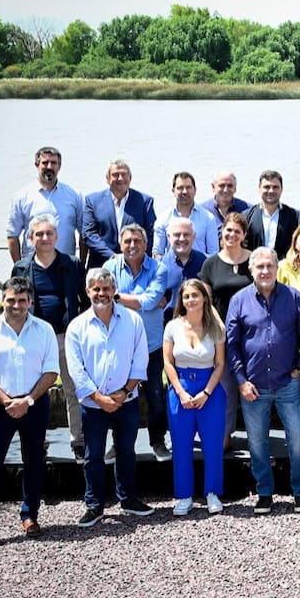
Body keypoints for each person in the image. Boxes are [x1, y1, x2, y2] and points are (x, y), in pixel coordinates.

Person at [0, 277, 59, 556]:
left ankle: (30, 515)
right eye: (10, 300)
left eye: (21, 300)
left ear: (30, 301)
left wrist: (27, 401)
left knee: (34, 462)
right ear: (2, 300)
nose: (16, 305)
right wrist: (8, 401)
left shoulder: (44, 330)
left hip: (34, 404)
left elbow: (51, 372)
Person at [226, 247, 300, 515]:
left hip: (289, 384)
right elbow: (232, 344)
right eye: (259, 266)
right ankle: (264, 492)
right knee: (257, 442)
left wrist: (298, 368)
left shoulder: (293, 297)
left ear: (277, 269)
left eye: (269, 266)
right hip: (253, 386)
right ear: (251, 270)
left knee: (297, 440)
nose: (265, 271)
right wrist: (240, 379)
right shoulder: (239, 301)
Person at [66, 268, 154, 527]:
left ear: (114, 290)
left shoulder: (133, 320)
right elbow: (75, 369)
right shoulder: (76, 327)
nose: (101, 293)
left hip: (126, 401)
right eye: (96, 289)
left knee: (126, 450)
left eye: (106, 288)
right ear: (88, 292)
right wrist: (98, 397)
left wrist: (125, 391)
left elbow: (141, 359)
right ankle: (94, 505)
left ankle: (128, 499)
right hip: (93, 405)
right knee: (93, 455)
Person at [9, 213, 84, 461]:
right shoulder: (21, 267)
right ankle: (36, 441)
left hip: (65, 336)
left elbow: (84, 300)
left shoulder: (72, 264)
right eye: (39, 234)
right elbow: (15, 304)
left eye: (49, 233)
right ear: (30, 238)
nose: (44, 238)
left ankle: (79, 440)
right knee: (33, 390)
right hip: (34, 338)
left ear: (57, 237)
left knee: (73, 389)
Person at [104, 224, 170, 460]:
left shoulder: (158, 268)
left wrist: (117, 296)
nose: (132, 245)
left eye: (137, 241)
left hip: (151, 345)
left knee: (155, 396)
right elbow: (102, 298)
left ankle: (158, 441)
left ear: (145, 244)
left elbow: (151, 301)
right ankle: (117, 444)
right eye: (127, 241)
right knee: (117, 395)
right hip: (119, 344)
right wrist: (133, 300)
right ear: (121, 245)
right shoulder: (109, 267)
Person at [162, 278, 227, 517]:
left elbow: (220, 364)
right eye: (187, 296)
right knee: (181, 446)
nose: (191, 300)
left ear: (204, 298)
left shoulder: (216, 326)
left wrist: (206, 392)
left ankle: (212, 493)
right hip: (180, 388)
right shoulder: (173, 327)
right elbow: (168, 362)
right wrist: (180, 391)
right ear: (182, 300)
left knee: (212, 445)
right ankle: (184, 496)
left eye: (195, 295)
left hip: (209, 388)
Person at [197, 211, 252, 445]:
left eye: (237, 231)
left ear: (244, 235)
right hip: (221, 334)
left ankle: (256, 436)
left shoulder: (254, 259)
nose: (232, 234)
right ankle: (225, 434)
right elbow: (205, 302)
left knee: (252, 385)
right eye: (228, 230)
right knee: (225, 386)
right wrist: (220, 326)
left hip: (252, 333)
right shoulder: (211, 263)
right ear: (222, 234)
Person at [6, 146, 84, 263]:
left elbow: (84, 234)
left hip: (67, 267)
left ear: (59, 166)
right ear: (37, 165)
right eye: (45, 163)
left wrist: (81, 265)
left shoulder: (74, 195)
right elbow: (12, 235)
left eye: (53, 163)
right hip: (34, 266)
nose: (49, 167)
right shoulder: (22, 196)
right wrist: (20, 268)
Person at [82, 159, 156, 269]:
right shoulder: (93, 201)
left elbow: (150, 233)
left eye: (124, 174)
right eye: (115, 175)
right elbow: (89, 233)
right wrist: (111, 256)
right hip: (101, 265)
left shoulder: (144, 201)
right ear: (107, 179)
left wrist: (138, 258)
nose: (120, 178)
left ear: (130, 178)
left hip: (135, 266)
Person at [153, 171, 217, 257]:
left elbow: (213, 254)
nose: (184, 191)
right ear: (173, 191)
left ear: (195, 190)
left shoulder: (208, 218)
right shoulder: (163, 219)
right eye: (180, 188)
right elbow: (157, 253)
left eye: (188, 187)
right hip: (172, 269)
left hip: (201, 269)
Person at [243, 170, 298, 258]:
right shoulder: (247, 216)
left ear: (281, 189)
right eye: (267, 187)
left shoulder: (294, 216)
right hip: (255, 269)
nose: (271, 191)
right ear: (259, 189)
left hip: (284, 269)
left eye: (275, 187)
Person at [160, 217, 207, 316]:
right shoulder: (159, 266)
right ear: (168, 237)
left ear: (194, 237)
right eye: (177, 235)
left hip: (199, 325)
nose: (182, 239)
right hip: (168, 325)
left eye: (186, 234)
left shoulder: (205, 262)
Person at [198, 170, 250, 242]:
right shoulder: (201, 210)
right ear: (213, 187)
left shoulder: (247, 209)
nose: (225, 190)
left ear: (235, 188)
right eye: (221, 185)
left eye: (230, 186)